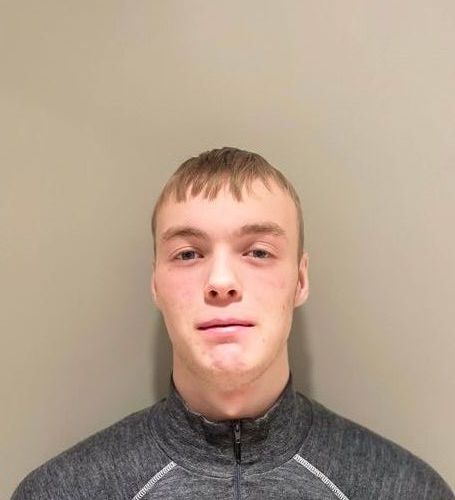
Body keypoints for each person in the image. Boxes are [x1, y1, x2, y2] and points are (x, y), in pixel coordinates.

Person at [12, 147, 453, 499]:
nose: (221, 282)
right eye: (188, 254)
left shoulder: (407, 490)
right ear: (155, 284)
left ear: (300, 280)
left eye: (258, 252)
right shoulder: (60, 492)